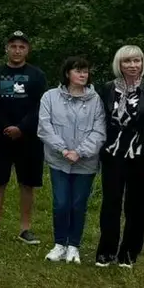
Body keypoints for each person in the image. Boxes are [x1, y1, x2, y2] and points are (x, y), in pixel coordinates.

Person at [95, 45, 144, 269]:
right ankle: (106, 251)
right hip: (113, 155)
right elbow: (101, 121)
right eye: (127, 61)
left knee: (136, 207)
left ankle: (129, 254)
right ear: (119, 64)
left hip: (141, 156)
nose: (132, 65)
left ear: (142, 63)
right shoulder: (107, 89)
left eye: (137, 61)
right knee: (110, 204)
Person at [0, 31, 47, 246]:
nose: (17, 50)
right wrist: (5, 127)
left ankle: (25, 228)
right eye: (13, 46)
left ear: (27, 50)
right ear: (6, 49)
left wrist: (21, 127)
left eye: (21, 46)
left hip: (29, 138)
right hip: (0, 137)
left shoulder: (37, 75)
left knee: (27, 184)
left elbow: (41, 105)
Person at [37, 57, 106, 264]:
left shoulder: (96, 101)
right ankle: (59, 244)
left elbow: (99, 131)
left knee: (78, 204)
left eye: (85, 71)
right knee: (61, 203)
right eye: (78, 71)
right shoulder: (50, 97)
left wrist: (80, 152)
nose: (83, 74)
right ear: (67, 73)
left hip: (85, 163)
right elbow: (44, 127)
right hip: (59, 161)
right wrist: (64, 150)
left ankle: (74, 246)